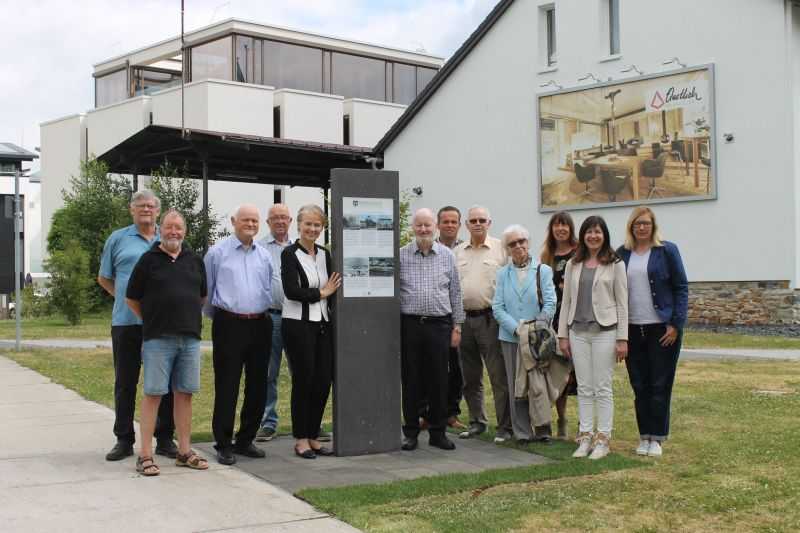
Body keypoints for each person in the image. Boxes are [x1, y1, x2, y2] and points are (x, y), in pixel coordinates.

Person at [125, 210, 209, 476]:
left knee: (185, 394)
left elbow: (202, 297)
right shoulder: (148, 260)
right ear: (161, 229)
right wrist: (152, 320)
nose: (174, 232)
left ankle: (184, 451)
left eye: (179, 228)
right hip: (157, 340)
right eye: (169, 227)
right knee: (154, 395)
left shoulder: (194, 260)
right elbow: (132, 298)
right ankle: (145, 455)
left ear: (185, 231)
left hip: (190, 339)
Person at [98, 189, 176, 462]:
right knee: (126, 382)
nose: (146, 209)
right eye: (141, 205)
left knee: (163, 384)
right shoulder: (118, 239)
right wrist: (127, 300)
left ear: (158, 211)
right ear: (132, 210)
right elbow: (105, 278)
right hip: (126, 323)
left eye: (151, 206)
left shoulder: (167, 238)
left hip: (161, 325)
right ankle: (124, 439)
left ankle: (165, 438)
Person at [204, 204, 276, 465]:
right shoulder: (216, 253)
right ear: (234, 221)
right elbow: (208, 292)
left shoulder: (264, 255)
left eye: (255, 221)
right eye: (246, 220)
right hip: (228, 325)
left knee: (258, 384)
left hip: (260, 323)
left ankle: (245, 439)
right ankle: (223, 443)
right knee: (227, 384)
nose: (251, 225)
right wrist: (225, 319)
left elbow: (267, 287)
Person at [617, 207, 688, 458]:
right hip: (633, 329)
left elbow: (681, 287)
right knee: (639, 384)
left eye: (646, 223)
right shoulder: (622, 254)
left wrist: (675, 324)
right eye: (637, 224)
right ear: (631, 226)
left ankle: (657, 437)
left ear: (653, 225)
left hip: (662, 328)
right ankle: (643, 435)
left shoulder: (667, 250)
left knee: (660, 383)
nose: (642, 228)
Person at [558, 216, 628, 460]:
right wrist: (562, 335)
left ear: (604, 234)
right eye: (589, 232)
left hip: (605, 333)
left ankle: (603, 439)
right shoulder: (573, 264)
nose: (593, 236)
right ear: (583, 235)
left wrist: (623, 339)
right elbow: (566, 301)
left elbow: (622, 303)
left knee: (602, 387)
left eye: (597, 232)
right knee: (585, 387)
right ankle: (585, 437)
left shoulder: (615, 263)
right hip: (577, 332)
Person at [399, 208, 464, 452]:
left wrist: (457, 326)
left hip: (440, 325)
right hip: (411, 325)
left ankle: (438, 432)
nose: (424, 230)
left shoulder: (447, 255)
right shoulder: (402, 255)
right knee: (411, 380)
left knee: (439, 380)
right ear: (413, 228)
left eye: (428, 225)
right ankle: (411, 433)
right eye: (419, 226)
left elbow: (455, 292)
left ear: (434, 227)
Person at [281, 204, 341, 459]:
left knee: (322, 380)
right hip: (298, 325)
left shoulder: (324, 254)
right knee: (303, 381)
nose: (313, 229)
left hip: (322, 325)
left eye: (317, 225)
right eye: (308, 224)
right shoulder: (289, 254)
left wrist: (327, 296)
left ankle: (314, 435)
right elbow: (291, 290)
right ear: (299, 225)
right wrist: (321, 293)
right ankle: (301, 438)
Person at [492, 225, 558, 443]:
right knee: (516, 385)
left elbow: (550, 302)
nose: (518, 246)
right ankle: (522, 431)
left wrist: (535, 328)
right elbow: (498, 307)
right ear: (507, 249)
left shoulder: (544, 271)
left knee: (538, 383)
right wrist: (517, 329)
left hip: (537, 338)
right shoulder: (502, 274)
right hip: (510, 338)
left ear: (528, 243)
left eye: (522, 241)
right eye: (512, 243)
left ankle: (543, 429)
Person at [454, 206, 512, 443]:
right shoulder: (457, 252)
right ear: (466, 225)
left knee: (498, 376)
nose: (477, 224)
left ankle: (505, 426)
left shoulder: (502, 249)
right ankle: (477, 422)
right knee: (470, 377)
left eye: (482, 220)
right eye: (472, 221)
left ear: (490, 223)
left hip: (491, 320)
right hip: (464, 320)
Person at [419, 206, 466, 431]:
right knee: (428, 369)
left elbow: (456, 290)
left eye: (453, 221)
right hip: (433, 320)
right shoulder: (428, 246)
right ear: (438, 224)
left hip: (454, 318)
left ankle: (451, 413)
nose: (449, 225)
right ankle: (426, 413)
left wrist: (458, 324)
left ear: (459, 224)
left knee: (455, 369)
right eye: (445, 221)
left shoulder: (465, 249)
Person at [256, 204, 293, 443]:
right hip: (271, 316)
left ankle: (308, 422)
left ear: (290, 221)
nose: (280, 222)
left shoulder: (301, 246)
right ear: (268, 222)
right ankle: (268, 422)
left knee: (303, 371)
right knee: (269, 372)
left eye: (283, 218)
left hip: (299, 316)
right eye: (275, 218)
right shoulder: (259, 248)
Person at [540, 211, 578, 439]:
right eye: (556, 225)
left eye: (564, 225)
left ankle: (584, 424)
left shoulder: (579, 252)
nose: (560, 229)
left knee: (578, 374)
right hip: (553, 320)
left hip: (575, 318)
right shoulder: (547, 255)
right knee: (558, 372)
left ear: (570, 228)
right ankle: (561, 418)